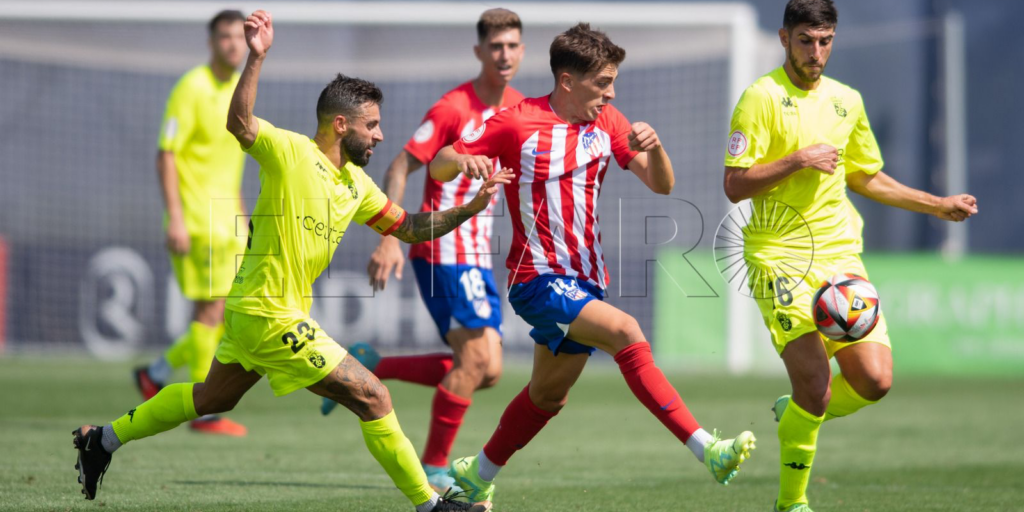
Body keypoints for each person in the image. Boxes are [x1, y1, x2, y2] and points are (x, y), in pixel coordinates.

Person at [72, 11, 510, 511]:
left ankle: (101, 440)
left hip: (257, 311)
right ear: (340, 125)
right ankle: (432, 506)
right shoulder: (291, 152)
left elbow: (408, 226)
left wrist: (469, 208)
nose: (381, 135)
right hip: (268, 313)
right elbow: (239, 122)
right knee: (373, 397)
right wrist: (257, 56)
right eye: (373, 126)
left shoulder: (355, 185)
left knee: (211, 399)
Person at [429, 23, 756, 505]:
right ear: (567, 81)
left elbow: (661, 185)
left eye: (612, 82)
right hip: (537, 279)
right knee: (626, 331)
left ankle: (474, 476)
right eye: (603, 83)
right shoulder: (517, 122)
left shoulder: (608, 121)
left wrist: (657, 147)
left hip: (585, 281)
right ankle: (707, 448)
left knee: (547, 397)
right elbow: (440, 161)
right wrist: (462, 161)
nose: (611, 92)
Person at [721, 1, 979, 511]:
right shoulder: (761, 97)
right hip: (780, 256)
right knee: (816, 388)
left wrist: (936, 204)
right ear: (783, 38)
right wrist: (798, 159)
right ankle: (792, 503)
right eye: (805, 41)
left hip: (840, 255)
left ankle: (796, 409)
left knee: (875, 381)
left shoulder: (847, 101)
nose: (816, 52)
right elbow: (734, 185)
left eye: (825, 41)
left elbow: (863, 175)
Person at [320, 8, 525, 493]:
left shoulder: (518, 106)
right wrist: (391, 234)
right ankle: (435, 468)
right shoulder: (454, 107)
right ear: (479, 51)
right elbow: (400, 165)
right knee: (476, 361)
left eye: (513, 45)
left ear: (522, 51)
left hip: (476, 253)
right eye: (495, 46)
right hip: (441, 248)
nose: (504, 54)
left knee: (488, 370)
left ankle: (372, 363)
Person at [135, 9, 249, 436]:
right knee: (211, 309)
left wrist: (243, 216)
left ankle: (157, 372)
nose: (233, 44)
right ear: (211, 42)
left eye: (239, 37)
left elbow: (230, 162)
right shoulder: (191, 87)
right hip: (198, 220)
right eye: (225, 37)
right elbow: (167, 152)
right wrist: (176, 219)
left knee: (224, 314)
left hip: (228, 220)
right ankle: (206, 413)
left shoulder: (240, 90)